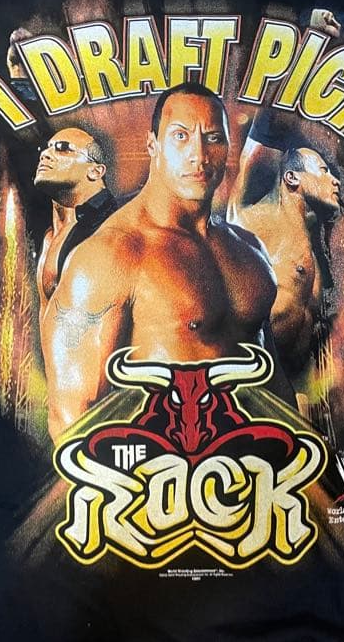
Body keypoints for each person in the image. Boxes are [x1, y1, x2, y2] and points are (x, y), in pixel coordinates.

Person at [41, 81, 294, 439]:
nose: (199, 156)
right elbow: (71, 421)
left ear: (227, 148)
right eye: (180, 136)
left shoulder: (249, 250)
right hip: (159, 466)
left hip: (257, 465)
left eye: (213, 138)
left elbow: (274, 386)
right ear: (153, 146)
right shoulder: (110, 254)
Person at [227, 126, 341, 382]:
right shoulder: (254, 218)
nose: (335, 180)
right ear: (291, 178)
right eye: (323, 171)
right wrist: (273, 109)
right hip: (244, 380)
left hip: (286, 386)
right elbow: (252, 157)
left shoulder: (311, 251)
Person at [32, 126, 117, 312]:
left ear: (95, 171)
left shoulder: (115, 225)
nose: (45, 154)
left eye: (63, 147)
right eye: (47, 148)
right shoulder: (48, 235)